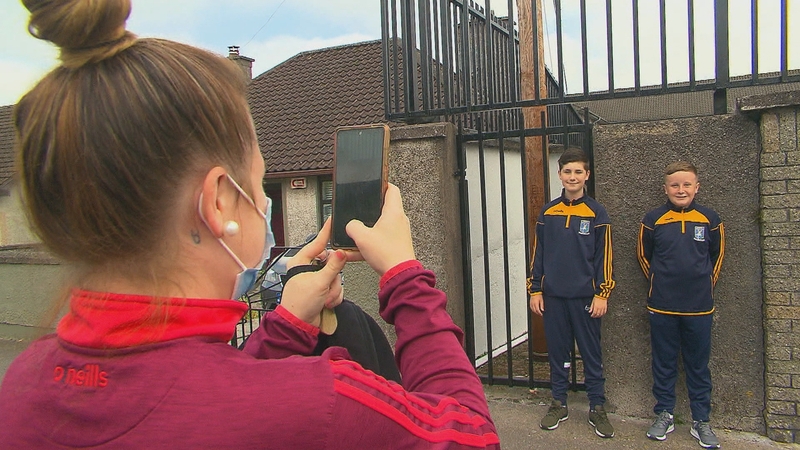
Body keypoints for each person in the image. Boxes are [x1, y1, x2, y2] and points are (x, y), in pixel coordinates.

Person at [0, 1, 500, 448]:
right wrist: (405, 277)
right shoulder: (326, 404)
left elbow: (199, 393)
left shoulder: (22, 383)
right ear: (219, 201)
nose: (262, 202)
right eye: (258, 185)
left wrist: (283, 328)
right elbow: (471, 434)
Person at [527, 148, 615, 438]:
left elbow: (604, 257)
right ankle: (558, 402)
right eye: (568, 171)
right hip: (553, 297)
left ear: (586, 175)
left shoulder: (596, 212)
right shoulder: (548, 211)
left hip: (586, 299)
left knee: (591, 354)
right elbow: (538, 254)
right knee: (559, 353)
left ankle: (597, 406)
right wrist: (535, 289)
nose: (573, 177)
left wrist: (602, 293)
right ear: (560, 175)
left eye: (578, 172)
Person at [637, 161, 724, 449]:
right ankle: (664, 413)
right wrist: (660, 283)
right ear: (665, 189)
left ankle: (701, 420)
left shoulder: (710, 219)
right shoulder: (652, 219)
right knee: (663, 363)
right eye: (675, 185)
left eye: (687, 184)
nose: (681, 189)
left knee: (698, 365)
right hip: (662, 306)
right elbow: (644, 257)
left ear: (697, 187)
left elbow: (717, 257)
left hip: (699, 308)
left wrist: (703, 286)